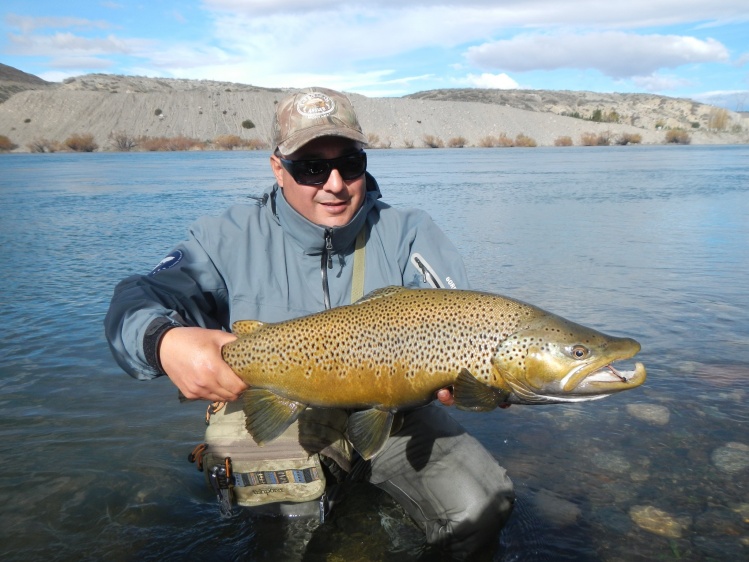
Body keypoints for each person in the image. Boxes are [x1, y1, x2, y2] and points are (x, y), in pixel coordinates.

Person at [104, 87, 514, 558]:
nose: (335, 184)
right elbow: (135, 300)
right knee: (290, 541)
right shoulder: (225, 239)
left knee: (485, 504)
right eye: (312, 168)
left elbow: (458, 318)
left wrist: (482, 379)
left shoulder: (408, 233)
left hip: (396, 414)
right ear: (278, 169)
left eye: (350, 163)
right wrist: (165, 341)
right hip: (278, 405)